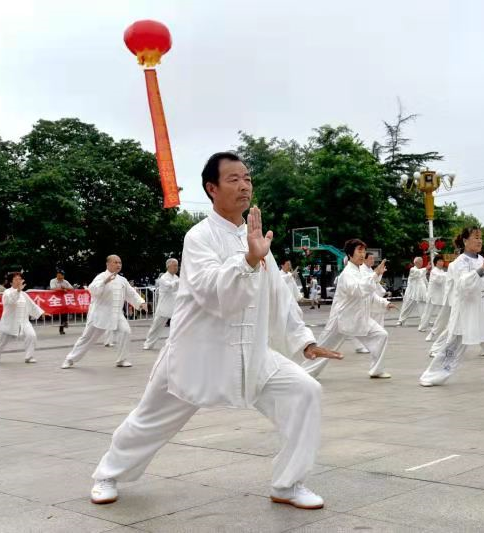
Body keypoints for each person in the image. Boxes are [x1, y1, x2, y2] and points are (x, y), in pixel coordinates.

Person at [90, 151, 341, 509]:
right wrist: (249, 260)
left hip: (251, 353)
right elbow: (212, 292)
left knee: (304, 391)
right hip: (198, 353)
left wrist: (305, 341)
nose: (244, 186)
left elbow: (280, 298)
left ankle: (287, 484)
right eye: (233, 179)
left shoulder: (257, 241)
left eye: (247, 178)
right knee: (149, 421)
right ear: (212, 188)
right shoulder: (199, 237)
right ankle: (107, 474)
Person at [419, 227, 484, 387]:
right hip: (467, 314)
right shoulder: (458, 263)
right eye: (476, 237)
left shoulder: (480, 259)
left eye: (480, 237)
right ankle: (430, 377)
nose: (480, 241)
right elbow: (464, 284)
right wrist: (482, 268)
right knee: (453, 347)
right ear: (465, 241)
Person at [301, 239, 394, 379]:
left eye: (363, 251)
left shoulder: (361, 272)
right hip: (341, 319)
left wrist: (384, 303)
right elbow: (358, 290)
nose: (362, 254)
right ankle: (304, 373)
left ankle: (377, 370)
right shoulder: (347, 274)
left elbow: (368, 294)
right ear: (350, 254)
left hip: (358, 318)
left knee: (381, 335)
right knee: (324, 348)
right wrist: (375, 275)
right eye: (359, 251)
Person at [61, 255, 146, 369]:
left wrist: (141, 302)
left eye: (120, 263)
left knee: (125, 331)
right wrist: (104, 282)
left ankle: (122, 359)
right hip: (100, 314)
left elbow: (131, 293)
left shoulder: (122, 280)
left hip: (117, 313)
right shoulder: (101, 277)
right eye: (115, 262)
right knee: (87, 338)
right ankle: (70, 359)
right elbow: (93, 290)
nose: (118, 265)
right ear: (108, 264)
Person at [0, 272, 46, 364]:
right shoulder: (7, 292)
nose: (18, 281)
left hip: (24, 321)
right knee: (0, 341)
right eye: (16, 279)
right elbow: (11, 301)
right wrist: (17, 291)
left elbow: (32, 305)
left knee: (31, 336)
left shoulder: (24, 294)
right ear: (10, 282)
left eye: (20, 279)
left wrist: (41, 312)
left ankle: (29, 357)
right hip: (9, 321)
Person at [143, 258, 180, 351]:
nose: (177, 267)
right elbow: (169, 286)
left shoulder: (176, 278)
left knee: (177, 326)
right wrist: (180, 282)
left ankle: (174, 344)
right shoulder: (163, 278)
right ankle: (148, 344)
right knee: (156, 326)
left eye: (177, 265)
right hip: (163, 307)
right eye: (174, 265)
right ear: (168, 266)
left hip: (174, 306)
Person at [418, 256, 447, 332]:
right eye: (439, 261)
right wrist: (448, 274)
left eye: (442, 261)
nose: (441, 262)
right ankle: (422, 327)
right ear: (436, 262)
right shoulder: (434, 271)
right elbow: (439, 281)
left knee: (442, 312)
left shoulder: (442, 271)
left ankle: (441, 327)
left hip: (440, 295)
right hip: (432, 295)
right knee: (428, 312)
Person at [396, 257, 428, 326]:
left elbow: (425, 281)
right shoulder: (413, 270)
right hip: (411, 293)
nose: (422, 263)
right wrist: (426, 268)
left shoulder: (422, 271)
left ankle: (425, 320)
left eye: (422, 261)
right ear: (416, 262)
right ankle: (401, 320)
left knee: (423, 306)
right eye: (420, 261)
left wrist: (428, 289)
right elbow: (418, 273)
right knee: (406, 307)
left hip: (420, 292)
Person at [50, 269, 73, 334]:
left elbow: (71, 288)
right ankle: (64, 323)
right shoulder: (53, 280)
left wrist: (65, 288)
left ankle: (62, 327)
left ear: (63, 276)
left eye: (61, 275)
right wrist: (62, 289)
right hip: (54, 299)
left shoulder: (65, 281)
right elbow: (52, 288)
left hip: (63, 299)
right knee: (62, 312)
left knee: (64, 311)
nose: (59, 276)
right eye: (58, 275)